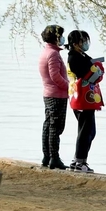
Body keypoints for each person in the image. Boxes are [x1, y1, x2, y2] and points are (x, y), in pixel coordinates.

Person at [66, 30, 104, 173]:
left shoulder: (81, 55)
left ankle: (78, 160)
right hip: (81, 99)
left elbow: (94, 66)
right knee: (85, 131)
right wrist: (98, 68)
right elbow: (92, 75)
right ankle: (80, 162)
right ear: (75, 44)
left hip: (86, 99)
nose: (86, 43)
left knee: (89, 131)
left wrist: (97, 66)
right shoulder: (74, 58)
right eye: (83, 41)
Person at [38, 24, 69, 170]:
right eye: (61, 36)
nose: (63, 38)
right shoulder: (53, 54)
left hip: (48, 93)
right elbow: (55, 76)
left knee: (48, 126)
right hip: (56, 95)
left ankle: (47, 156)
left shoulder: (46, 52)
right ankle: (54, 157)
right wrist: (70, 87)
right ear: (56, 37)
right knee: (55, 127)